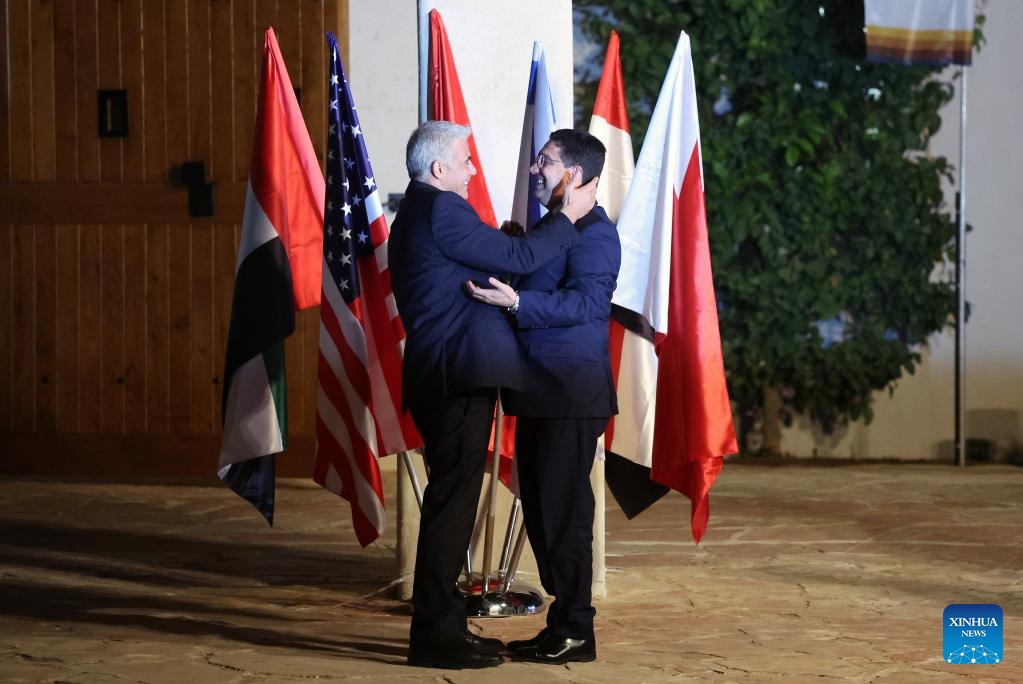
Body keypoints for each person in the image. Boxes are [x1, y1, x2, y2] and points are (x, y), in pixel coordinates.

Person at [388, 121, 597, 670]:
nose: (472, 169)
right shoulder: (442, 208)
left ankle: (445, 625)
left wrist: (516, 239)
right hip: (456, 374)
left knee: (452, 504)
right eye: (464, 160)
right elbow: (520, 259)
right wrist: (566, 216)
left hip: (447, 374)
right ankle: (435, 635)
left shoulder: (422, 210)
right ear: (439, 169)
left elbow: (500, 257)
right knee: (452, 507)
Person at [467, 129, 620, 665]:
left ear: (573, 175)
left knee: (563, 515)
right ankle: (564, 625)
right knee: (543, 508)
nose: (535, 170)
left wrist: (517, 303)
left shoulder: (596, 235)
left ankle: (576, 629)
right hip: (539, 391)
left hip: (569, 394)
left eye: (545, 162)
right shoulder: (552, 225)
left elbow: (587, 306)